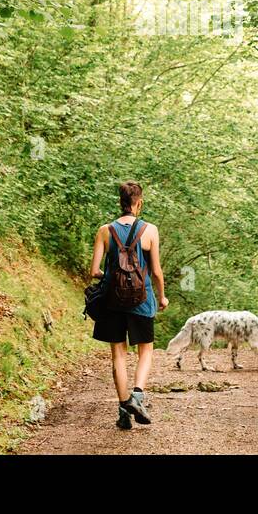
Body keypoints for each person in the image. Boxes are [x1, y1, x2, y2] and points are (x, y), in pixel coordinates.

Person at [90, 181, 168, 430]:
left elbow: (94, 272)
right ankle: (137, 395)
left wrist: (112, 277)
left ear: (120, 202)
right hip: (142, 300)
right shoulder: (150, 230)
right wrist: (162, 296)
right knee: (145, 350)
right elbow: (156, 271)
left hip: (112, 303)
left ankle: (124, 408)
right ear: (139, 202)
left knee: (118, 355)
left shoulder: (105, 230)